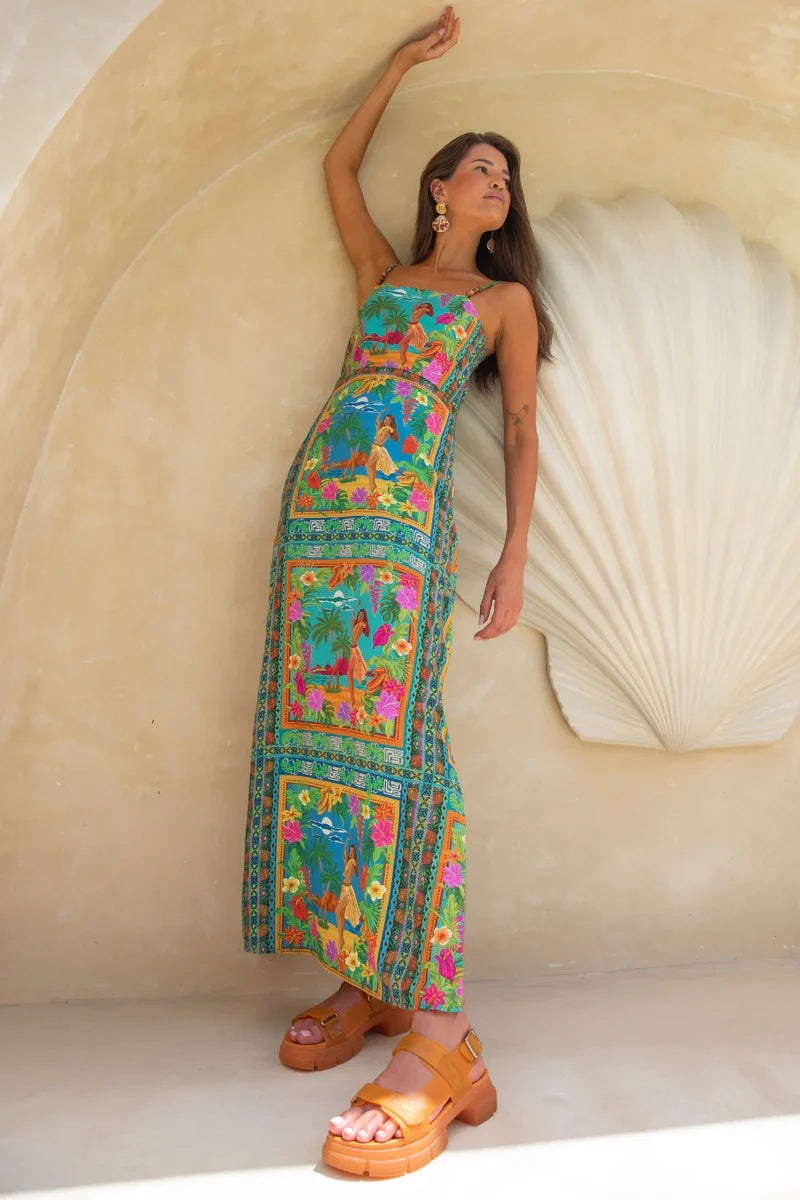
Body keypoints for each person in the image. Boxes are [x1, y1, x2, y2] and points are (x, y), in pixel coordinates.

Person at [242, 4, 554, 1178]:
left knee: (402, 746)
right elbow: (335, 166)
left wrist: (512, 554)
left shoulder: (501, 305)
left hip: (401, 534)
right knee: (321, 742)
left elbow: (517, 430)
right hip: (316, 519)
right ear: (438, 189)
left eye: (505, 179)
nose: (495, 185)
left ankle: (438, 1026)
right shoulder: (383, 271)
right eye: (479, 169)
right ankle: (368, 979)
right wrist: (398, 64)